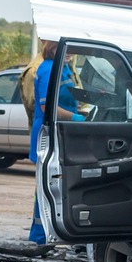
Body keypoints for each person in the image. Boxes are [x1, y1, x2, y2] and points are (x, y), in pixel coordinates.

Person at [28, 40, 83, 244]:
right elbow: (47, 107)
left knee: (56, 184)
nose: (69, 53)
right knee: (46, 186)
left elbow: (66, 101)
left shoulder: (64, 69)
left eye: (70, 50)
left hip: (62, 132)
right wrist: (76, 118)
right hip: (48, 134)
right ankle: (39, 236)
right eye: (62, 49)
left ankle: (51, 233)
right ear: (52, 48)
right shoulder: (49, 69)